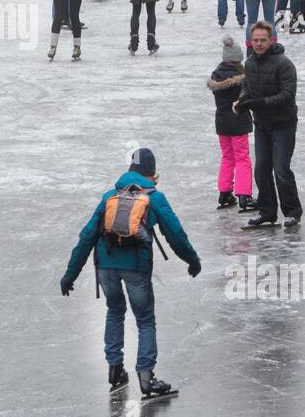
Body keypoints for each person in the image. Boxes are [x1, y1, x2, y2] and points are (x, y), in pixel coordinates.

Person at [59, 148, 202, 400]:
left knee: (115, 311)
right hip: (136, 266)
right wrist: (192, 260)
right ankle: (146, 379)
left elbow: (87, 236)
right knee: (145, 319)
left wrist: (69, 275)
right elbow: (175, 234)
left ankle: (115, 370)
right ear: (152, 174)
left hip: (106, 266)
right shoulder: (154, 198)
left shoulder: (109, 196)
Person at [234, 23, 301, 229]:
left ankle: (292, 212)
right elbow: (247, 88)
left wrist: (260, 103)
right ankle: (267, 212)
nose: (260, 44)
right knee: (261, 170)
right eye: (256, 40)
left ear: (272, 40)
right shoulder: (250, 63)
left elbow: (287, 95)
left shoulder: (284, 64)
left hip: (283, 125)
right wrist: (242, 102)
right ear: (251, 41)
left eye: (263, 40)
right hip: (262, 124)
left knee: (281, 170)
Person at [208, 36, 255, 212]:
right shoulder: (240, 77)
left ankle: (225, 193)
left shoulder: (216, 75)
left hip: (221, 123)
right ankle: (244, 195)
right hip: (238, 122)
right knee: (242, 157)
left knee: (227, 157)